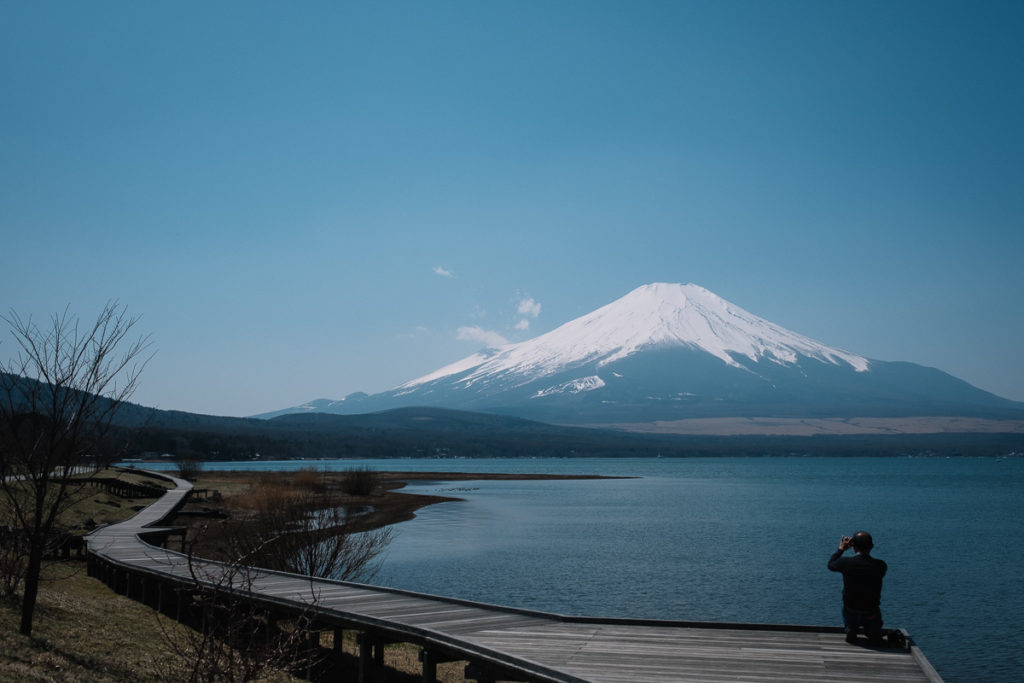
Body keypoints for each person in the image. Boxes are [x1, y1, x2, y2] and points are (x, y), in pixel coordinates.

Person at [827, 530, 887, 644]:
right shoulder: (881, 565)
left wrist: (841, 549)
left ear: (853, 546)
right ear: (872, 546)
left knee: (846, 608)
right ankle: (872, 631)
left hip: (851, 610)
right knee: (874, 627)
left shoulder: (846, 563)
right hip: (871, 611)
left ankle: (850, 628)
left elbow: (830, 564)